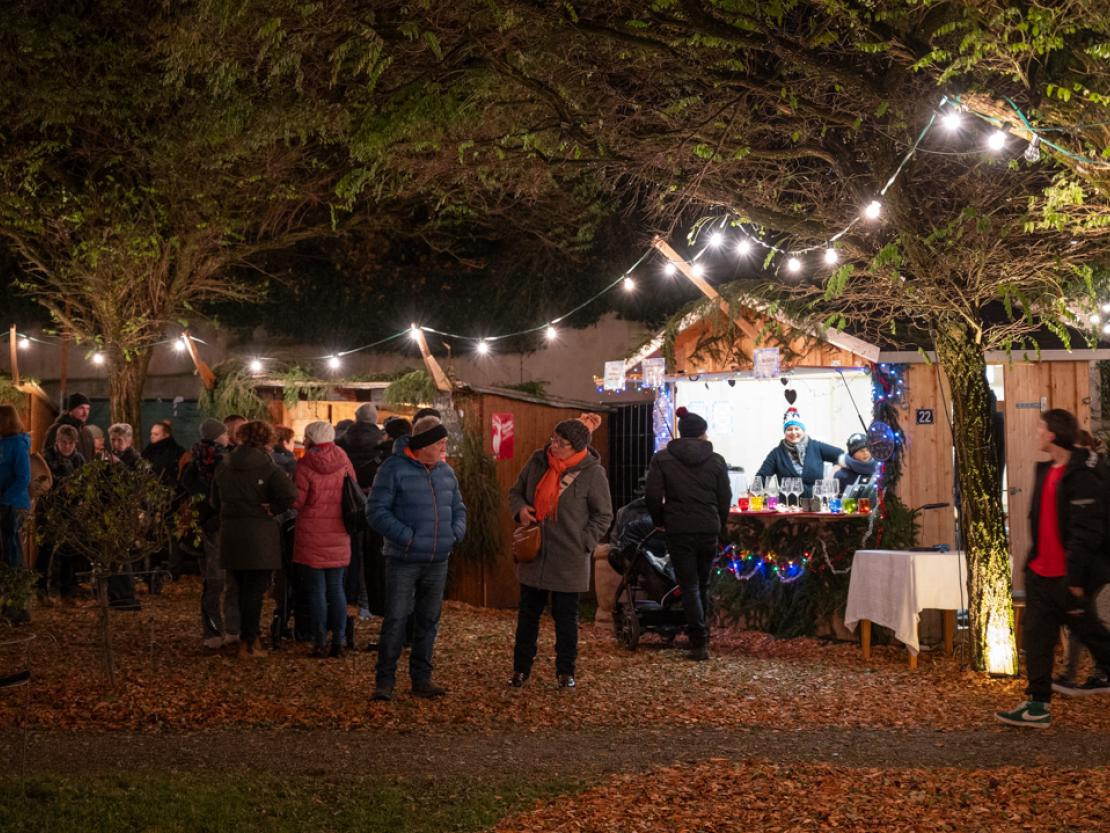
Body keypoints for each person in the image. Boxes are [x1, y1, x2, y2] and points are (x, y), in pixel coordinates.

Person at [996, 409, 1110, 728]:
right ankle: (1037, 705)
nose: (1036, 433)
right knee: (1037, 640)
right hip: (1041, 575)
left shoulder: (1083, 475)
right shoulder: (1046, 470)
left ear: (1052, 435)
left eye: (1040, 428)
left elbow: (1086, 531)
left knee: (1094, 638)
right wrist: (1032, 566)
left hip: (1068, 579)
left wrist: (1076, 578)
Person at [507, 417, 613, 689]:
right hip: (535, 553)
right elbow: (515, 492)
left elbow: (603, 515)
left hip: (569, 557)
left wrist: (584, 542)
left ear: (577, 447)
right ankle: (520, 670)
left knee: (566, 618)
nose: (553, 446)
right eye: (553, 439)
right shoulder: (537, 461)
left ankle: (566, 671)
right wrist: (521, 510)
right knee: (528, 616)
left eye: (561, 443)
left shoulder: (592, 473)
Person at [368, 416, 467, 700]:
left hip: (438, 560)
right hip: (403, 559)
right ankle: (384, 682)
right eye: (440, 443)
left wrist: (454, 533)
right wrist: (407, 537)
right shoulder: (393, 469)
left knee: (428, 620)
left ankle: (421, 679)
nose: (444, 448)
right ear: (423, 444)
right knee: (396, 620)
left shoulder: (446, 472)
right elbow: (375, 511)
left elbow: (459, 508)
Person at [644, 406, 731, 661]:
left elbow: (652, 495)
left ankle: (698, 640)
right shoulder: (716, 460)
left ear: (681, 432)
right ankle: (703, 635)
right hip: (708, 527)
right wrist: (720, 522)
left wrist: (659, 521)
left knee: (689, 584)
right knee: (703, 583)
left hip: (678, 527)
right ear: (703, 433)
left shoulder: (662, 459)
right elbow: (724, 497)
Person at [212, 421, 298, 658]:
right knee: (255, 592)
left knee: (239, 589)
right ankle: (249, 642)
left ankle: (246, 637)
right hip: (260, 535)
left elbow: (214, 500)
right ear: (267, 440)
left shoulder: (224, 465)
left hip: (231, 533)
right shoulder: (268, 467)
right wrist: (274, 508)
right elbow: (290, 493)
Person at [293, 421, 357, 659]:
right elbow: (352, 492)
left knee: (316, 591)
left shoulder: (304, 465)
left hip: (311, 534)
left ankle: (319, 641)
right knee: (337, 589)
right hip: (339, 532)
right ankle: (339, 640)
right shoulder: (344, 460)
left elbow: (297, 501)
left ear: (310, 438)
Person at [1054, 430, 1110, 693]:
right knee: (1083, 616)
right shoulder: (1094, 472)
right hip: (1091, 560)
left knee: (1085, 617)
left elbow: (1090, 527)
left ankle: (1085, 673)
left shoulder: (1092, 476)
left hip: (1095, 561)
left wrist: (1077, 570)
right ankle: (1081, 673)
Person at [181, 418, 239, 649]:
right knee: (231, 578)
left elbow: (186, 485)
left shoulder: (193, 461)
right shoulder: (227, 460)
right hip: (224, 523)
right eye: (224, 433)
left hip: (205, 524)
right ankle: (233, 629)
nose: (227, 437)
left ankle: (212, 631)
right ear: (217, 436)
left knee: (212, 581)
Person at [337, 403, 387, 647]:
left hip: (347, 505)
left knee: (349, 556)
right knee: (372, 556)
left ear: (356, 418)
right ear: (375, 418)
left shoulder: (341, 442)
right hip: (374, 504)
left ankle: (347, 602)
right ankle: (367, 605)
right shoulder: (381, 442)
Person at [37, 425, 86, 601]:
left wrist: (78, 494)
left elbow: (84, 481)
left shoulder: (79, 459)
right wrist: (61, 485)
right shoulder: (47, 457)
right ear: (57, 441)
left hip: (71, 510)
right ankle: (42, 589)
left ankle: (67, 589)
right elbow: (42, 481)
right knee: (46, 550)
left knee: (69, 549)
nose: (67, 446)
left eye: (71, 443)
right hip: (49, 509)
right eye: (63, 442)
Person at [755, 408, 844, 498]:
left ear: (803, 430)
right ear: (785, 432)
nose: (793, 432)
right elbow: (761, 476)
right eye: (789, 429)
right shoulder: (776, 454)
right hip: (788, 505)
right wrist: (753, 492)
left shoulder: (816, 447)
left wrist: (832, 475)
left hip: (816, 503)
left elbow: (841, 455)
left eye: (797, 429)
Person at [0, 404, 32, 569]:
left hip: (14, 504)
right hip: (6, 502)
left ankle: (17, 581)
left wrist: (5, 499)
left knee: (12, 548)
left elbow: (23, 477)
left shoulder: (18, 444)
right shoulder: (4, 442)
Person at [44, 393, 96, 463]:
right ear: (71, 410)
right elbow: (47, 457)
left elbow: (92, 458)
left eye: (87, 409)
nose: (85, 413)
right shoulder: (56, 429)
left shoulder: (87, 432)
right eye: (81, 408)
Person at [142, 421, 185, 486]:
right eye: (151, 434)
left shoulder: (174, 451)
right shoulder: (150, 449)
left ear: (166, 435)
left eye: (156, 434)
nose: (152, 436)